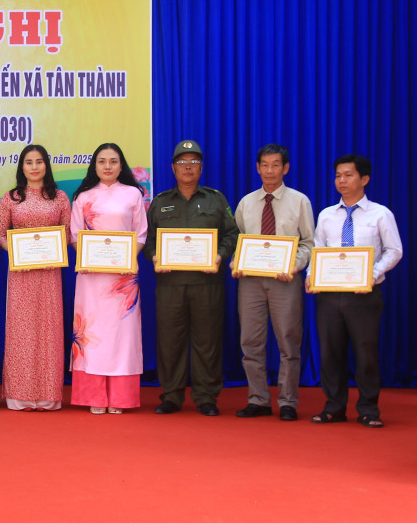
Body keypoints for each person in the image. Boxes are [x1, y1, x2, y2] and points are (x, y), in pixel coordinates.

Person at [144, 140, 239, 416]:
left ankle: (206, 396)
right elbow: (149, 240)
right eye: (183, 162)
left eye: (194, 162)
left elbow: (232, 234)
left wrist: (219, 256)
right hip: (170, 285)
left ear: (201, 167)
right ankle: (171, 395)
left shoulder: (215, 199)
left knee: (207, 342)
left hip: (206, 284)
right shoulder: (161, 202)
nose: (188, 167)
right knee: (169, 342)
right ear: (173, 168)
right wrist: (155, 257)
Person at [307, 154, 402, 428]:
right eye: (338, 175)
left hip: (364, 295)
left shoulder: (380, 214)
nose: (342, 180)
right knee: (330, 354)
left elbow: (395, 250)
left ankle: (369, 409)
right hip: (329, 295)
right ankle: (334, 407)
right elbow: (317, 251)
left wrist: (372, 275)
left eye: (348, 175)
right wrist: (311, 275)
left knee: (366, 354)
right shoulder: (326, 215)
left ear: (365, 179)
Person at [231, 144, 314, 421]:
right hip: (251, 282)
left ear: (285, 168)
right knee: (250, 342)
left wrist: (294, 265)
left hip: (285, 281)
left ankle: (288, 402)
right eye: (265, 165)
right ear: (257, 168)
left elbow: (308, 243)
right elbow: (238, 241)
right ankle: (258, 400)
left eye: (276, 165)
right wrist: (236, 262)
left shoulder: (299, 201)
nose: (270, 170)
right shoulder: (246, 203)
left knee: (289, 342)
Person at [68, 143, 148, 415]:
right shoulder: (83, 197)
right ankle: (94, 395)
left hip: (122, 281)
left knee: (122, 336)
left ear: (121, 165)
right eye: (102, 161)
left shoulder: (133, 195)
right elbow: (75, 235)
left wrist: (128, 258)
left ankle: (120, 398)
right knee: (93, 334)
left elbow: (140, 233)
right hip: (91, 279)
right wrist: (87, 257)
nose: (108, 166)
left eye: (113, 161)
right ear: (95, 165)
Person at [0, 144, 71, 411]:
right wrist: (18, 252)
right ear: (22, 167)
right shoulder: (11, 198)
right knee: (21, 332)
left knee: (49, 331)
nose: (34, 167)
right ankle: (20, 395)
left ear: (46, 165)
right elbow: (1, 235)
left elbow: (68, 234)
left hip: (49, 274)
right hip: (21, 275)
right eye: (29, 162)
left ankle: (48, 396)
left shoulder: (60, 197)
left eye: (39, 161)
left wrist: (51, 250)